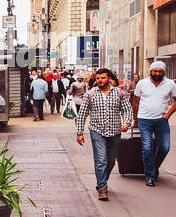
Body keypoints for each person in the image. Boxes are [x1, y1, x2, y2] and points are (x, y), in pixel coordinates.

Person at [74, 67, 131, 201]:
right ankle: (102, 188)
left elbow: (127, 110)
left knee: (110, 161)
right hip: (96, 131)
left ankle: (102, 180)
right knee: (101, 160)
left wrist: (127, 122)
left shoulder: (119, 93)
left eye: (103, 78)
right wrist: (79, 132)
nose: (100, 80)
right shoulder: (90, 94)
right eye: (98, 78)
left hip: (115, 131)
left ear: (109, 78)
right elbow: (82, 114)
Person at [132, 60, 176, 187]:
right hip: (144, 120)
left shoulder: (170, 84)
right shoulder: (142, 83)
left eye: (159, 71)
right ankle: (150, 176)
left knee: (164, 147)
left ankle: (153, 167)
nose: (157, 73)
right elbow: (136, 101)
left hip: (161, 120)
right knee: (147, 147)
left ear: (163, 72)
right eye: (155, 71)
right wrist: (135, 119)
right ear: (150, 71)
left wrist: (167, 115)